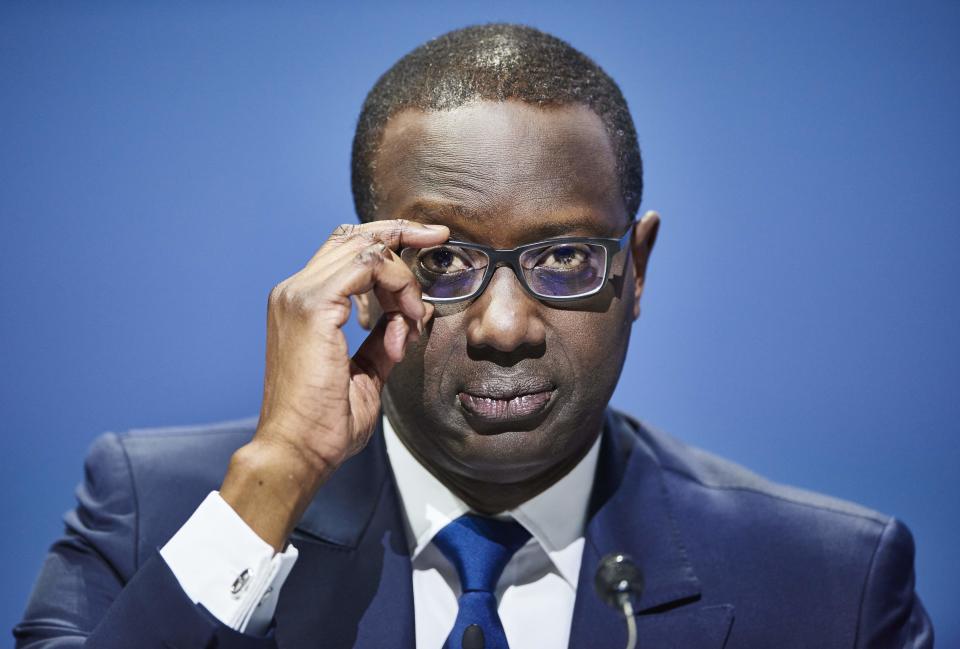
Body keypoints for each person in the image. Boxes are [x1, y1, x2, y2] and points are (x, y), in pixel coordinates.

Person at [14, 23, 932, 649]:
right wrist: (274, 479)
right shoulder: (155, 513)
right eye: (445, 262)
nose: (504, 327)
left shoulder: (829, 586)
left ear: (636, 271)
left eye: (567, 256)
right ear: (366, 273)